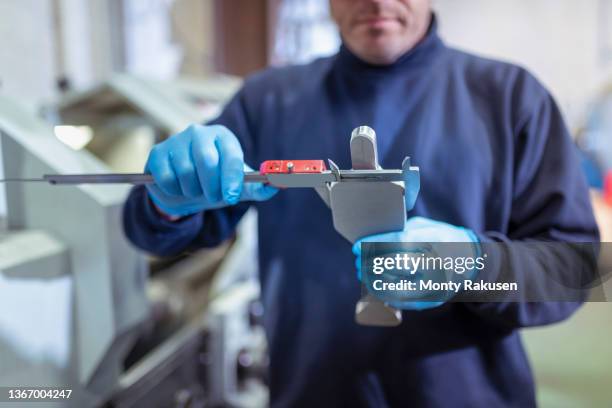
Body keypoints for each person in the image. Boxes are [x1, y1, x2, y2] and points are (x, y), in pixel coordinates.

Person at [123, 0, 599, 406]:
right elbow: (153, 231)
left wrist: (478, 265)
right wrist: (166, 200)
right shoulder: (267, 102)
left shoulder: (512, 98)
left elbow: (574, 270)